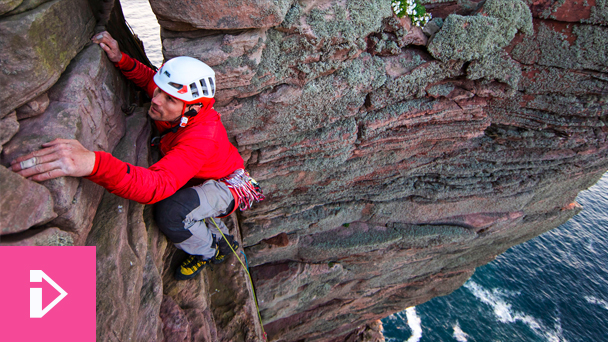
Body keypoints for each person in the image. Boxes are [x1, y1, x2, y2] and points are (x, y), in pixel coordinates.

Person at [9, 31, 264, 280]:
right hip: (202, 173)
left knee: (172, 212)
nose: (157, 100)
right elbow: (149, 79)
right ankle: (213, 235)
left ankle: (208, 251)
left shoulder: (200, 138)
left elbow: (158, 186)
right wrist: (121, 58)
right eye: (159, 93)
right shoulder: (176, 96)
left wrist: (93, 163)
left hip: (227, 185)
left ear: (194, 109)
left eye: (169, 99)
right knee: (184, 200)